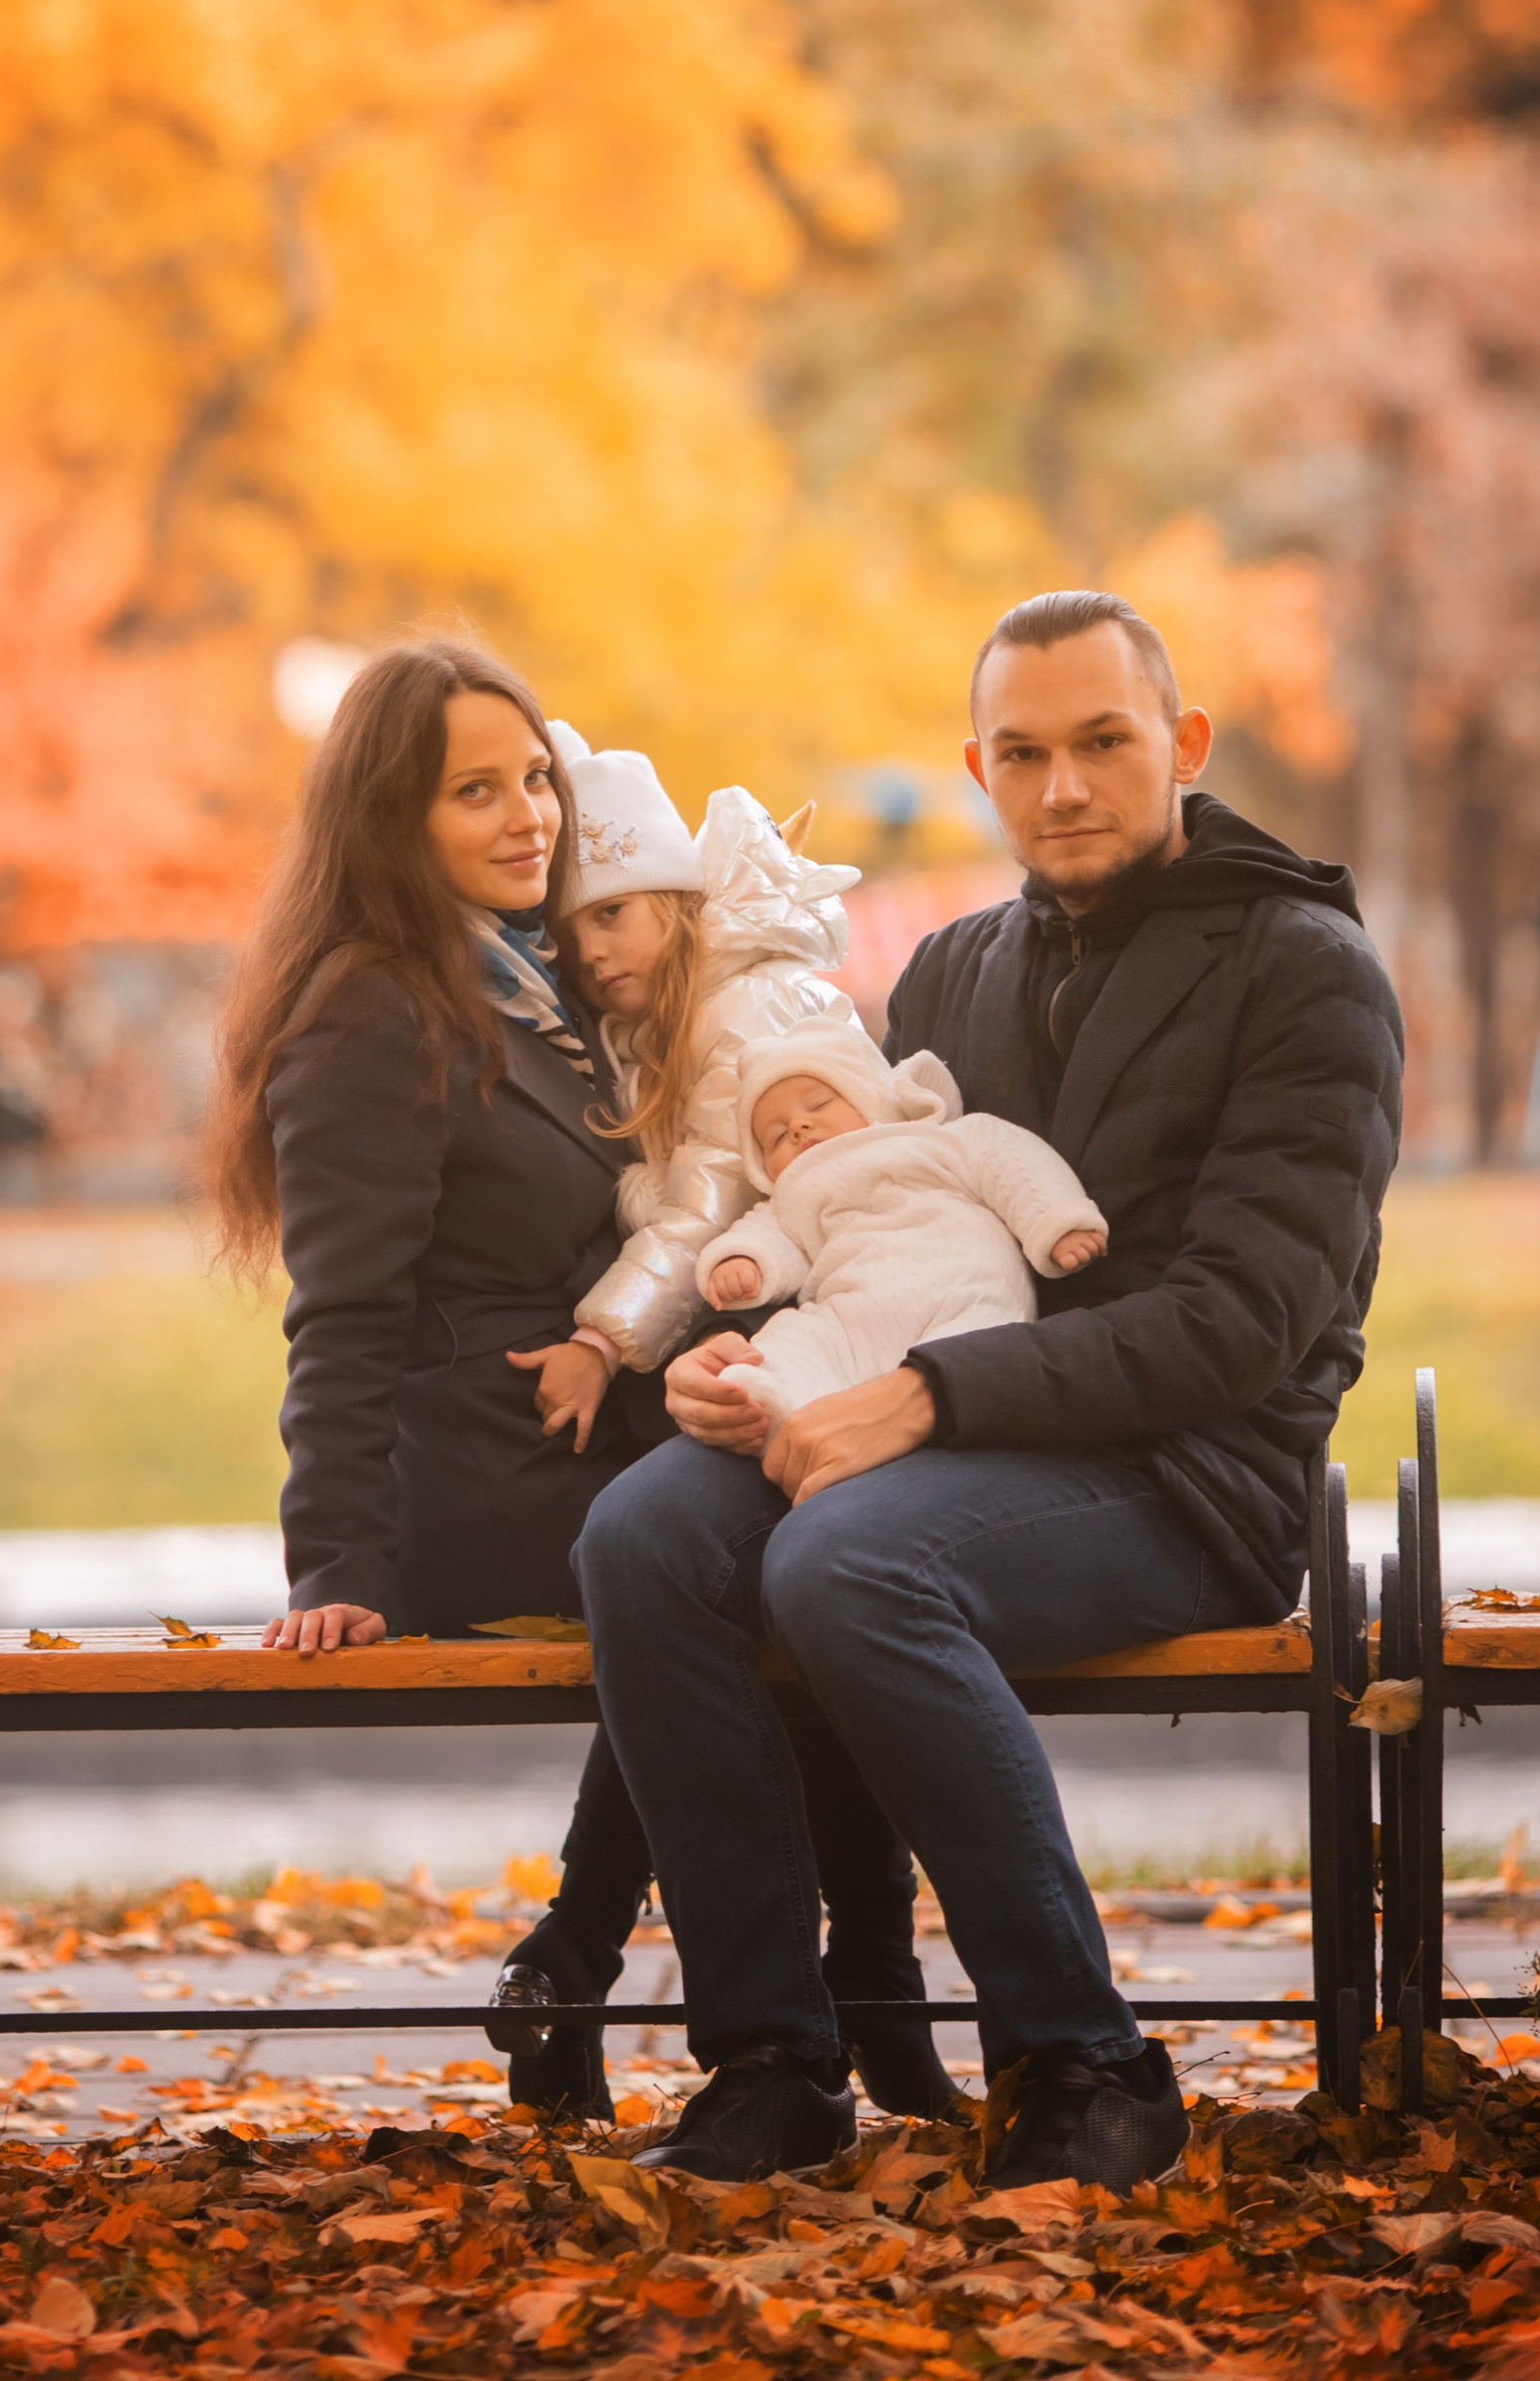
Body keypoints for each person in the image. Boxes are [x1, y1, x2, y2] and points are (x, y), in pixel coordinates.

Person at [574, 587, 1403, 2191]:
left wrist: (926, 1399)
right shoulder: (951, 973)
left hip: (1190, 1472)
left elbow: (1242, 1323)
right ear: (980, 767)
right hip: (926, 1426)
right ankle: (773, 2061)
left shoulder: (1309, 971)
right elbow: (858, 1221)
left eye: (1105, 742)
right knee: (640, 1537)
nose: (1065, 786)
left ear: (1187, 745)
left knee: (849, 1561)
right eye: (1023, 753)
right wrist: (744, 1358)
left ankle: (1085, 2063)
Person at [203, 646, 950, 2127]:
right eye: (473, 791)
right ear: (388, 820)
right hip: (475, 1473)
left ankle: (645, 1971)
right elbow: (341, 1312)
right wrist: (336, 1559)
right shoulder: (374, 1009)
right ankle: (814, 2005)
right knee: (759, 1566)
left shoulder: (531, 991)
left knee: (819, 1548)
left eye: (535, 775)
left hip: (573, 1434)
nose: (527, 814)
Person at [520, 726, 874, 1439]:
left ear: (671, 896)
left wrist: (601, 1344)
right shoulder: (656, 1030)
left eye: (611, 912)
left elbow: (711, 1205)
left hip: (858, 1297)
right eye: (570, 931)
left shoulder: (744, 1010)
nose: (590, 950)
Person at [696, 1023, 1108, 1420]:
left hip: (963, 1289)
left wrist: (1056, 1220)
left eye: (820, 1104)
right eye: (777, 1136)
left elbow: (1012, 1162)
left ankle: (934, 1418)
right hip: (851, 1316)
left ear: (872, 1095)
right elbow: (768, 1235)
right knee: (795, 1341)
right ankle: (773, 1405)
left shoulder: (935, 1138)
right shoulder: (792, 1195)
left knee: (979, 1346)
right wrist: (743, 1261)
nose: (799, 1127)